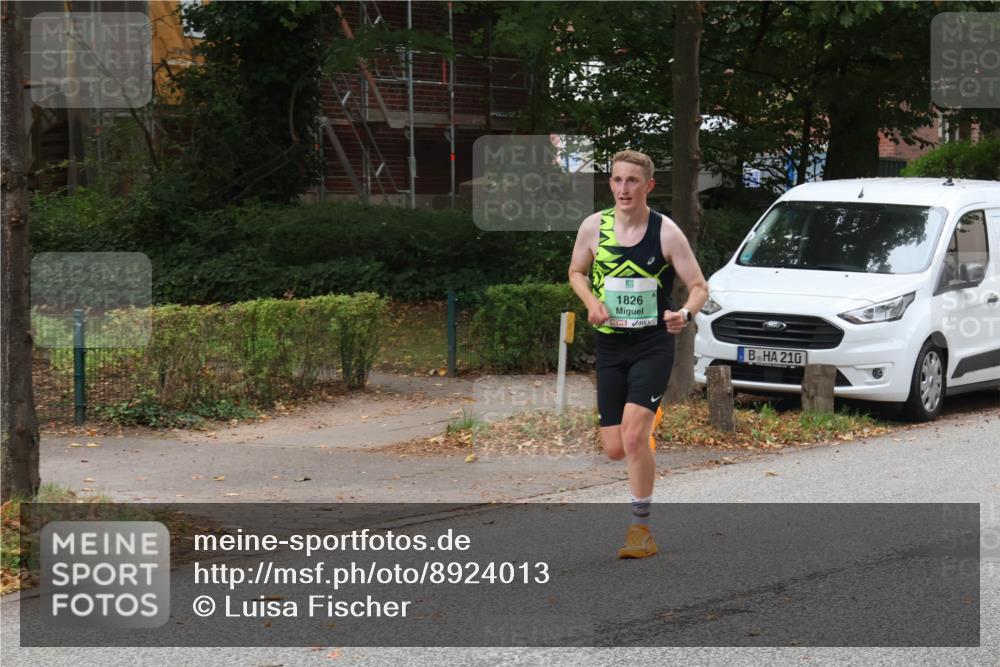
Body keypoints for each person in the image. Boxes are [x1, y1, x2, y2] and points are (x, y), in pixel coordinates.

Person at [568, 149, 709, 558]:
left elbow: (699, 286)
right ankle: (644, 423)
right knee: (615, 448)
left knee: (632, 438)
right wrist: (591, 303)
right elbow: (575, 271)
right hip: (611, 345)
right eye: (617, 180)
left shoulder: (665, 232)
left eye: (632, 181)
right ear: (610, 183)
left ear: (648, 186)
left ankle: (640, 531)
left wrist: (684, 313)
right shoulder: (594, 227)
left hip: (652, 344)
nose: (623, 188)